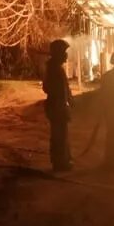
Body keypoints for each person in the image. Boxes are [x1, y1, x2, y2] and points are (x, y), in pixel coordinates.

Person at [42, 38, 73, 172]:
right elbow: (50, 88)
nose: (66, 55)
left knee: (61, 134)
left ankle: (63, 160)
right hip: (57, 107)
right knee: (59, 135)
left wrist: (69, 101)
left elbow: (64, 89)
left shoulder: (56, 68)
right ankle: (60, 162)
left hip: (58, 106)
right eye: (64, 52)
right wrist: (63, 104)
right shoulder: (54, 69)